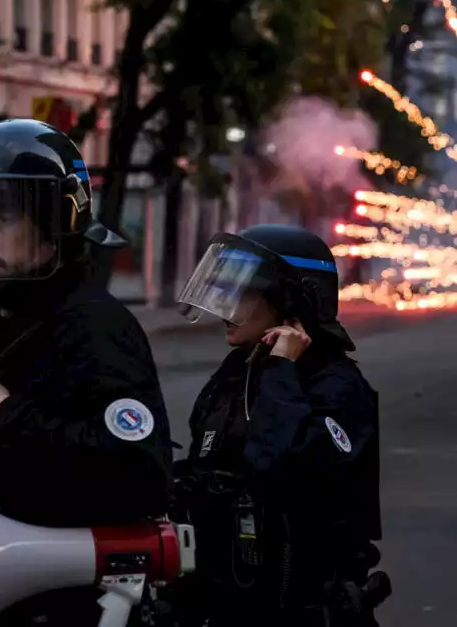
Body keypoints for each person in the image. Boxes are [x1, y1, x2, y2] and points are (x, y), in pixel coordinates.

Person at [0, 118, 174, 626]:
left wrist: (0, 419)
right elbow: (26, 467)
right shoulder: (28, 320)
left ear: (56, 224)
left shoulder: (93, 326)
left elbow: (138, 470)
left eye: (0, 219)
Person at [170, 225, 390, 627]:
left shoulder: (338, 387)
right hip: (224, 601)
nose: (227, 306)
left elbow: (284, 463)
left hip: (297, 610)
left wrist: (281, 368)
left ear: (291, 301)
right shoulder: (238, 370)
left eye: (244, 292)